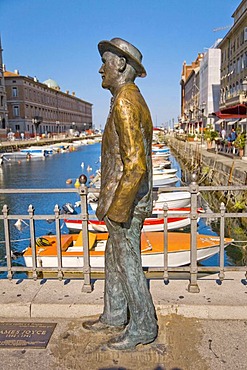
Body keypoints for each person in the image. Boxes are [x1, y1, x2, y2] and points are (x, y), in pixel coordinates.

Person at [82, 38, 158, 350]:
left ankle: (143, 325)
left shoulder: (126, 101)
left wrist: (118, 209)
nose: (101, 69)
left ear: (122, 66)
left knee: (127, 262)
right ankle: (114, 314)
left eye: (106, 61)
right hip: (121, 198)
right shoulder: (127, 98)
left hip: (126, 201)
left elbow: (136, 164)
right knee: (113, 257)